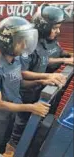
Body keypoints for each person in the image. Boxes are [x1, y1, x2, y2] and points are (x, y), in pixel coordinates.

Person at [0, 16, 58, 154]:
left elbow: (19, 82)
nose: (25, 46)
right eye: (21, 42)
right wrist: (31, 107)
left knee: (5, 141)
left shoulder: (15, 62)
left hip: (11, 114)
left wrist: (40, 81)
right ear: (8, 43)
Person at [9, 5, 67, 148]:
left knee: (35, 118)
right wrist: (46, 77)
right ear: (44, 26)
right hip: (24, 89)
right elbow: (22, 72)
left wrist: (66, 58)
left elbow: (47, 57)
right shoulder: (27, 43)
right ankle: (14, 146)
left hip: (39, 87)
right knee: (22, 120)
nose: (58, 31)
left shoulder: (49, 40)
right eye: (55, 28)